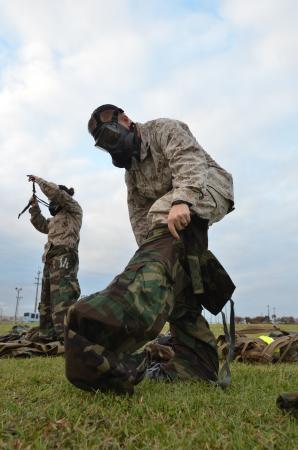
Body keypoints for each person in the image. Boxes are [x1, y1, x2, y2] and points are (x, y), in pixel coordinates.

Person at [64, 105, 234, 395]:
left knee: (160, 218)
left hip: (208, 186)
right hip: (174, 218)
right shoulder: (133, 175)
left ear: (126, 121)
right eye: (104, 146)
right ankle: (196, 364)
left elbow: (189, 159)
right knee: (174, 283)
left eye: (110, 137)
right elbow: (139, 218)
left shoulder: (163, 129)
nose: (110, 147)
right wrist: (151, 260)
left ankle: (127, 303)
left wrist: (182, 200)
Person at [28, 175, 83, 341]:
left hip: (64, 255)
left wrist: (39, 181)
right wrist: (35, 208)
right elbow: (42, 225)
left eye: (54, 200)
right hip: (50, 258)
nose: (51, 203)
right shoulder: (55, 220)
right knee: (46, 299)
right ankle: (47, 333)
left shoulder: (74, 210)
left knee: (62, 297)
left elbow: (56, 193)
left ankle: (64, 336)